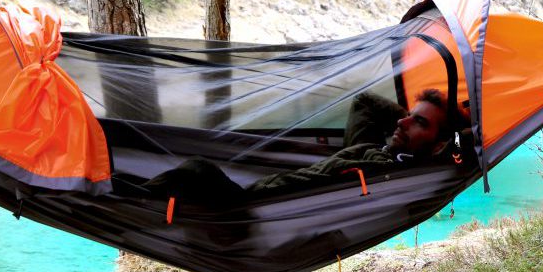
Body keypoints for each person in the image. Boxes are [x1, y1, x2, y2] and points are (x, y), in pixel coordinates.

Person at [143, 89, 465, 201]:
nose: (400, 122)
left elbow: (456, 151)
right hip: (367, 152)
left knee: (197, 168)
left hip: (252, 204)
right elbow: (365, 103)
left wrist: (460, 131)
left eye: (419, 123)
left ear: (438, 145)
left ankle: (129, 197)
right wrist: (410, 124)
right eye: (406, 116)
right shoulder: (377, 152)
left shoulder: (384, 172)